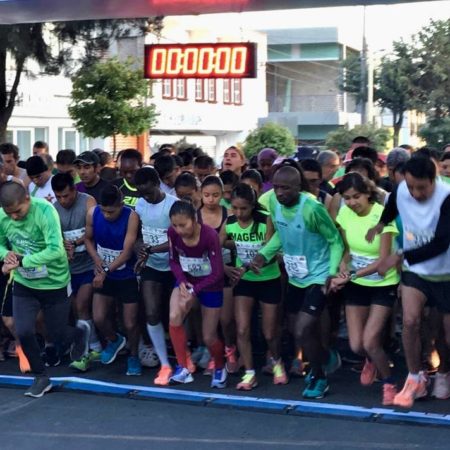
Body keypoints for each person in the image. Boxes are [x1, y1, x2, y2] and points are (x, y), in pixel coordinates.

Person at [250, 165, 344, 399]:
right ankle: (323, 356)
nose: (280, 193)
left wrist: (332, 273)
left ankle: (319, 377)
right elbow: (281, 236)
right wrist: (264, 254)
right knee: (295, 330)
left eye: (285, 188)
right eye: (276, 187)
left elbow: (335, 241)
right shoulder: (273, 203)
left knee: (303, 329)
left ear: (298, 188)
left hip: (319, 275)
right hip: (296, 276)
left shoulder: (312, 208)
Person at [366, 156, 450, 408]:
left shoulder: (447, 197)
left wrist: (400, 255)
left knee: (446, 336)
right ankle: (415, 377)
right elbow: (393, 205)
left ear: (434, 180)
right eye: (411, 186)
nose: (415, 193)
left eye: (421, 188)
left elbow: (442, 242)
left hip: (445, 272)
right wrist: (380, 224)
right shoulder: (402, 189)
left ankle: (444, 372)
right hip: (416, 270)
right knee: (411, 321)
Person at [0, 181, 88, 397]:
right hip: (25, 283)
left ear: (27, 200)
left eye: (18, 211)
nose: (14, 217)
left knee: (57, 334)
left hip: (54, 281)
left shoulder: (45, 211)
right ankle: (41, 377)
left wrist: (22, 261)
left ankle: (78, 334)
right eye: (8, 213)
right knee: (23, 331)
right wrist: (6, 255)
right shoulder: (3, 215)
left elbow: (56, 251)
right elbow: (1, 243)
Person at [330, 173, 400, 405]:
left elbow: (382, 262)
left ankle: (390, 383)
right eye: (347, 198)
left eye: (356, 197)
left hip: (383, 282)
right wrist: (342, 266)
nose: (351, 203)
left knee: (370, 341)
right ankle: (372, 359)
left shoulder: (382, 216)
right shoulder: (344, 214)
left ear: (368, 193)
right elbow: (347, 250)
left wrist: (349, 275)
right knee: (357, 345)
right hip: (357, 284)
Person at [224, 183, 285, 390]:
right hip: (245, 280)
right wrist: (226, 267)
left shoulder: (265, 220)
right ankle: (250, 373)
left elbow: (271, 251)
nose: (239, 213)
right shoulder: (230, 222)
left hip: (268, 279)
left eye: (244, 209)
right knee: (242, 329)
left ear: (253, 206)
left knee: (269, 332)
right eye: (235, 208)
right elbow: (214, 246)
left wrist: (255, 263)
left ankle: (277, 362)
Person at [167, 200, 227, 388]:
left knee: (209, 336)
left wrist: (194, 290)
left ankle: (220, 366)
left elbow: (217, 273)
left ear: (194, 220)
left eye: (183, 225)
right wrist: (184, 283)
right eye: (175, 225)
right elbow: (174, 261)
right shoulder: (172, 234)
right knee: (174, 315)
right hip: (187, 281)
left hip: (209, 285)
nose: (179, 230)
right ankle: (183, 367)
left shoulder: (209, 235)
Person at [85, 184, 141, 376]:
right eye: (104, 210)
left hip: (126, 275)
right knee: (99, 317)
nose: (107, 215)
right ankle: (114, 340)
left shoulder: (131, 216)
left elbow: (126, 253)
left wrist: (105, 270)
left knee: (130, 322)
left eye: (112, 211)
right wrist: (97, 259)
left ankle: (134, 355)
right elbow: (88, 239)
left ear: (121, 204)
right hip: (104, 271)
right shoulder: (93, 213)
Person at [51, 173, 101, 372]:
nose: (63, 200)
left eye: (66, 195)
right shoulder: (53, 210)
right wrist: (62, 246)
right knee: (75, 308)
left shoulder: (88, 202)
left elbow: (96, 231)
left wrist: (76, 243)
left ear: (74, 190)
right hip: (68, 268)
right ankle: (94, 345)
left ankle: (87, 348)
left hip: (89, 264)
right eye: (58, 197)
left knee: (82, 304)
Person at [134, 167, 178, 385]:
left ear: (158, 183)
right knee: (151, 313)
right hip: (151, 265)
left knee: (175, 316)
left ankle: (182, 357)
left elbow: (179, 239)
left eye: (149, 192)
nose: (147, 198)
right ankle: (164, 363)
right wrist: (140, 250)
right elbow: (136, 234)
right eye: (142, 193)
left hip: (175, 266)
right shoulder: (140, 204)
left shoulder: (173, 205)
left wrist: (153, 249)